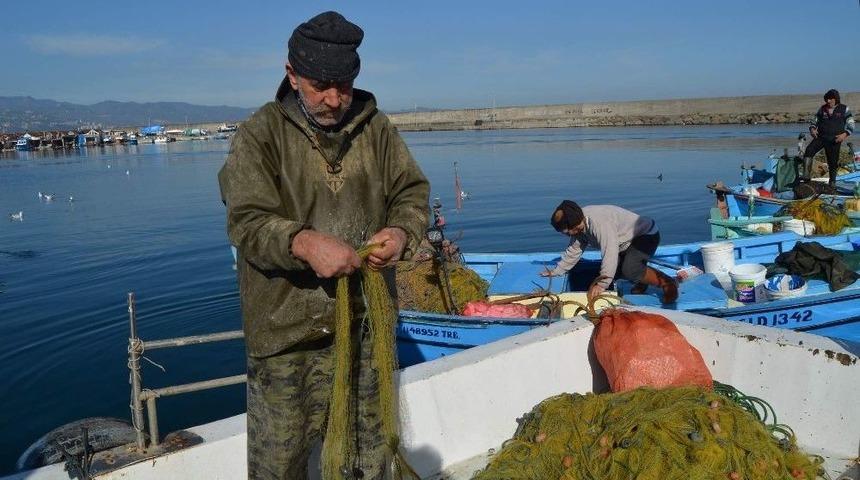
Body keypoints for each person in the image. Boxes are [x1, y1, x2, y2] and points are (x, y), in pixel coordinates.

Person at [217, 11, 430, 479]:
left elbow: (412, 193)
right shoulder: (260, 135)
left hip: (365, 330)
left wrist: (401, 232)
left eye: (344, 85)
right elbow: (246, 222)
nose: (334, 99)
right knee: (280, 464)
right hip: (285, 336)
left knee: (366, 457)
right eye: (320, 85)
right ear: (292, 75)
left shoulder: (377, 130)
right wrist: (303, 242)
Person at [540, 200, 678, 303]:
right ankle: (642, 279)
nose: (571, 234)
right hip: (624, 242)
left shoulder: (599, 223)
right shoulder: (578, 224)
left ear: (577, 221)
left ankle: (668, 283)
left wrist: (602, 284)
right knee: (618, 272)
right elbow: (575, 249)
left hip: (645, 235)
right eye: (567, 233)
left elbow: (610, 252)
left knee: (629, 269)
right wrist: (557, 271)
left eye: (572, 230)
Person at [800, 89, 855, 187]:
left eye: (830, 99)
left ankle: (832, 183)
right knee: (809, 150)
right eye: (827, 99)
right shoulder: (822, 109)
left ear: (835, 99)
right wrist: (812, 129)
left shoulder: (844, 109)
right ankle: (806, 176)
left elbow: (851, 124)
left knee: (832, 162)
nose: (828, 101)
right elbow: (814, 121)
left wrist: (845, 134)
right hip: (821, 137)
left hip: (835, 139)